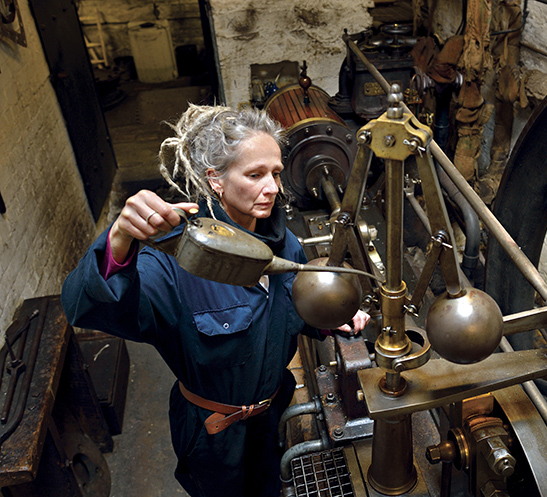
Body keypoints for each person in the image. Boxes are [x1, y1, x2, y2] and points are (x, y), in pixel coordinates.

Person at [61, 104, 369, 497]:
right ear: (216, 180)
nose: (273, 187)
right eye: (255, 175)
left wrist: (327, 316)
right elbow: (84, 305)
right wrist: (119, 241)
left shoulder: (283, 239)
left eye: (275, 173)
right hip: (214, 434)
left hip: (272, 412)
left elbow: (288, 305)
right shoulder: (175, 258)